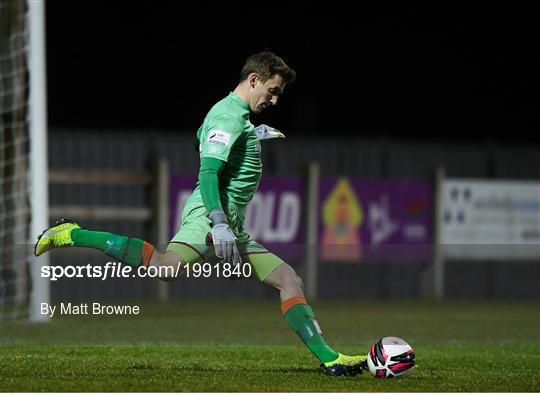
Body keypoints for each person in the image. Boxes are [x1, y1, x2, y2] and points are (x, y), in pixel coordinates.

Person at [34, 50, 367, 376]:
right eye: (273, 91)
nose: (275, 101)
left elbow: (199, 140)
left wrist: (249, 136)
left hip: (230, 224)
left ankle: (330, 359)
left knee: (288, 279)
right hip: (211, 217)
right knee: (164, 269)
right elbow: (208, 171)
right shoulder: (227, 116)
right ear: (254, 80)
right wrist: (218, 221)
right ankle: (72, 234)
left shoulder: (235, 118)